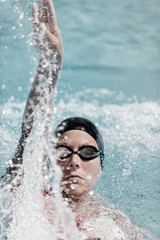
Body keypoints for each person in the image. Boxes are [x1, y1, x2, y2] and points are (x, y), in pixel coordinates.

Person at [1, 0, 145, 239]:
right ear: (49, 163)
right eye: (63, 152)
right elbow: (30, 138)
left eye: (87, 153)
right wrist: (50, 67)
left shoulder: (115, 225)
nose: (74, 162)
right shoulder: (30, 199)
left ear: (100, 168)